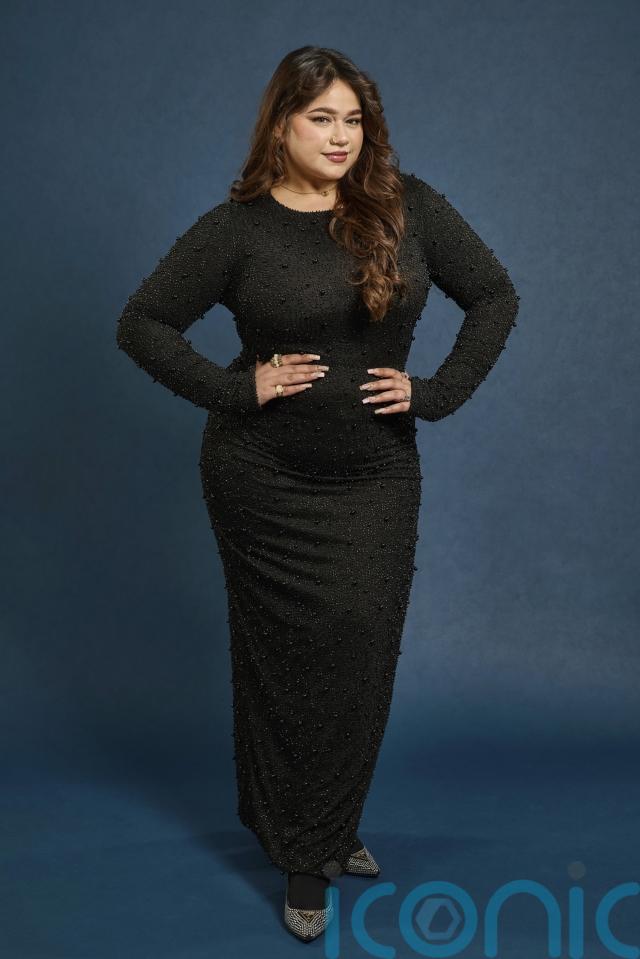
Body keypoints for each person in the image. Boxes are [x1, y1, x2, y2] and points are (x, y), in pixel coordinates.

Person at [116, 45, 519, 943]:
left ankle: (324, 820)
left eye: (353, 119)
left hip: (375, 474)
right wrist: (236, 387)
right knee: (284, 659)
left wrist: (437, 392)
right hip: (260, 478)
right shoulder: (238, 229)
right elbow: (141, 323)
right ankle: (305, 847)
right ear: (281, 126)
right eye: (320, 118)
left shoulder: (411, 206)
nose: (341, 136)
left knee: (358, 650)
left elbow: (495, 294)